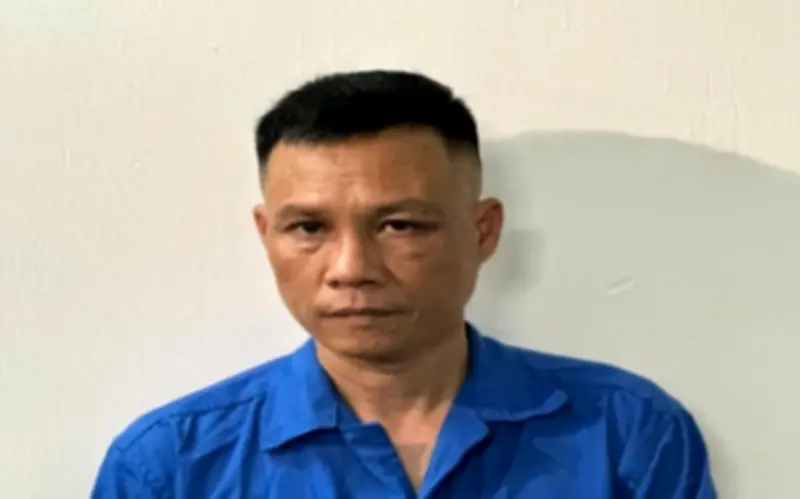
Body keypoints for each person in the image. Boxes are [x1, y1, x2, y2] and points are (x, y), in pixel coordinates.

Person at [92, 70, 717, 498]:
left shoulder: (625, 434)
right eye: (309, 227)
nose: (350, 267)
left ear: (483, 231)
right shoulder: (171, 466)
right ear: (265, 234)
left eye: (400, 225)